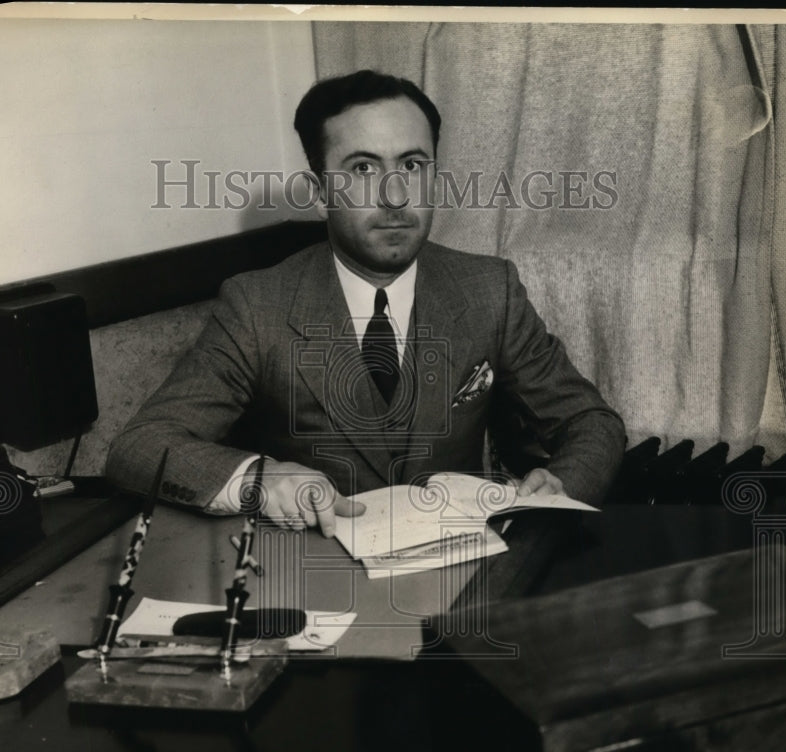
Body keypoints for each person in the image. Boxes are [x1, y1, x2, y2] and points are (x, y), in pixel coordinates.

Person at [106, 70, 625, 537]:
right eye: (362, 169)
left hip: (465, 574)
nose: (396, 195)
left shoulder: (491, 288)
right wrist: (261, 479)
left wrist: (559, 486)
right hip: (318, 583)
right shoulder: (257, 305)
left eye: (413, 164)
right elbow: (140, 447)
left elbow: (591, 422)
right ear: (319, 190)